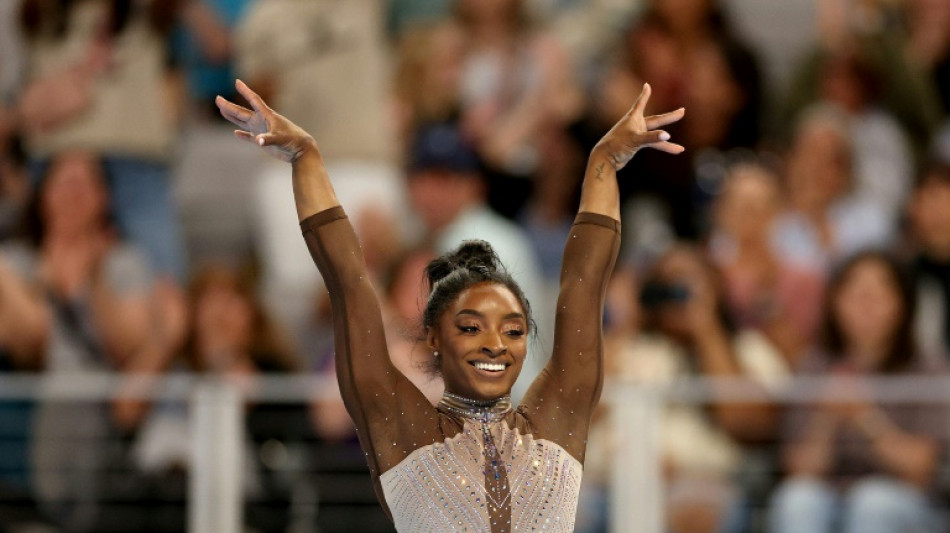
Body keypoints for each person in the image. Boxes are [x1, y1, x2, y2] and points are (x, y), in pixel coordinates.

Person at [215, 79, 685, 530]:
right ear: (434, 336)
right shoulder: (404, 432)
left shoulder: (556, 422)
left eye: (514, 329)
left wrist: (604, 160)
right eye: (471, 326)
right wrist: (306, 159)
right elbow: (349, 287)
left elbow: (584, 287)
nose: (496, 344)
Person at [769, 251, 947, 533]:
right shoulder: (815, 364)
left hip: (908, 503)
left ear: (903, 303)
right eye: (855, 294)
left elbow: (921, 469)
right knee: (797, 501)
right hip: (829, 495)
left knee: (873, 503)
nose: (866, 305)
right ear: (834, 303)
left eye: (878, 295)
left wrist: (865, 416)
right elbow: (800, 472)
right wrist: (825, 419)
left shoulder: (929, 368)